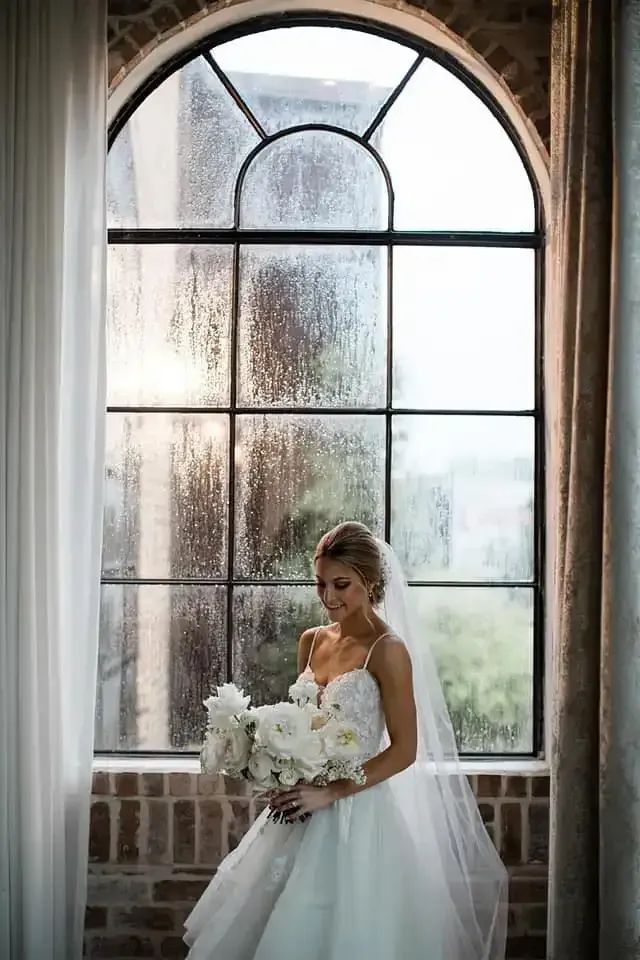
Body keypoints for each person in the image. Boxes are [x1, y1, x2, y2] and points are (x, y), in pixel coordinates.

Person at [184, 521, 507, 959]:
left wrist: (331, 793)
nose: (328, 597)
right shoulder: (312, 640)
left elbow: (404, 751)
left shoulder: (388, 650)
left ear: (370, 584)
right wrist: (275, 762)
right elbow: (300, 725)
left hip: (360, 814)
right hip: (298, 810)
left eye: (341, 584)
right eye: (320, 583)